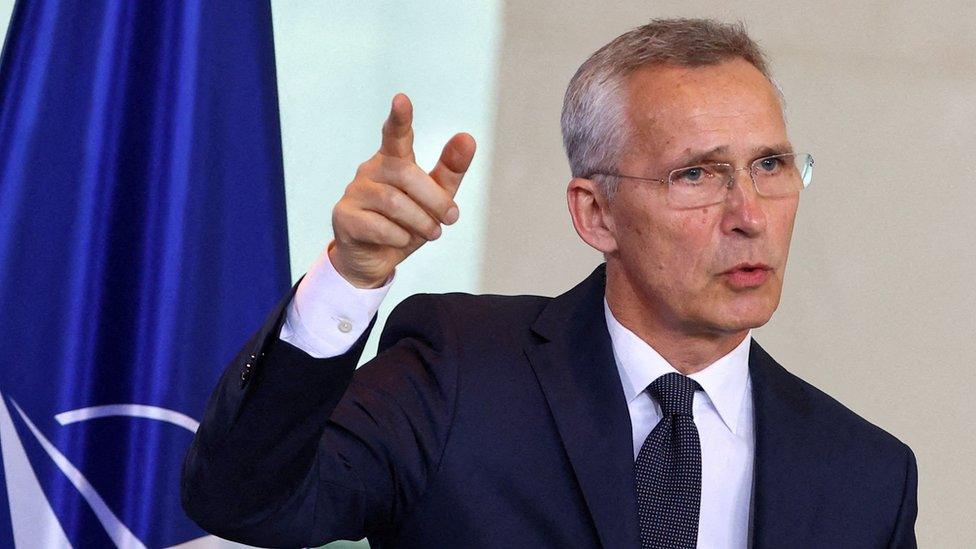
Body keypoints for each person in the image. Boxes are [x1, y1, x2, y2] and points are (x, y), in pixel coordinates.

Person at [182, 18, 917, 548]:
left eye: (771, 166)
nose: (750, 215)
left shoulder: (864, 477)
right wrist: (348, 278)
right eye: (698, 173)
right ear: (596, 214)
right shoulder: (458, 374)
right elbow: (249, 499)